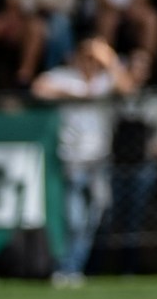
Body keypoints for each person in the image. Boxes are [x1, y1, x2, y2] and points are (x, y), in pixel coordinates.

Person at [32, 36, 135, 285]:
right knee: (74, 219)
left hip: (99, 161)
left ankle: (73, 269)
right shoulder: (67, 78)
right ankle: (65, 269)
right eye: (87, 57)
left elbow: (128, 87)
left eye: (94, 59)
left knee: (94, 219)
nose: (90, 63)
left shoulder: (104, 81)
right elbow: (39, 87)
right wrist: (75, 94)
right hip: (73, 160)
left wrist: (109, 59)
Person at [107, 55, 157, 276]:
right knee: (108, 217)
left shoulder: (154, 99)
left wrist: (154, 148)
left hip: (142, 166)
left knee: (134, 219)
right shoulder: (113, 97)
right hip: (115, 165)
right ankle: (98, 266)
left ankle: (129, 267)